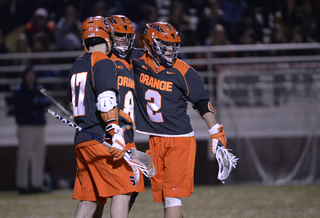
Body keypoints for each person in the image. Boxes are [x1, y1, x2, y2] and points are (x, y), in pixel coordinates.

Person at [129, 22, 227, 218]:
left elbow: (201, 102)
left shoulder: (184, 71)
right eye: (164, 44)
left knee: (173, 197)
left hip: (178, 139)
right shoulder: (136, 59)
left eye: (172, 45)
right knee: (167, 196)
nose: (169, 50)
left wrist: (215, 130)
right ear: (149, 43)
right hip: (155, 138)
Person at [67, 16, 143, 218]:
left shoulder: (76, 64)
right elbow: (106, 100)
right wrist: (115, 132)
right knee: (123, 190)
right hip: (101, 138)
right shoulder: (104, 61)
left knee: (90, 198)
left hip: (82, 140)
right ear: (107, 36)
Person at [106, 14, 145, 211]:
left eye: (127, 35)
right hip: (112, 133)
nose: (123, 40)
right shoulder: (104, 61)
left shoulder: (133, 58)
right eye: (119, 35)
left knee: (132, 189)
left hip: (128, 133)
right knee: (123, 190)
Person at [13, 65, 51, 194]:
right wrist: (35, 104)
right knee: (24, 156)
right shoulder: (19, 90)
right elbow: (22, 105)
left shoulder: (39, 89)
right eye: (28, 76)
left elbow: (47, 102)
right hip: (26, 127)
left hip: (39, 126)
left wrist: (35, 102)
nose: (30, 78)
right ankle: (22, 185)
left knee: (39, 156)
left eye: (32, 76)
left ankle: (37, 184)